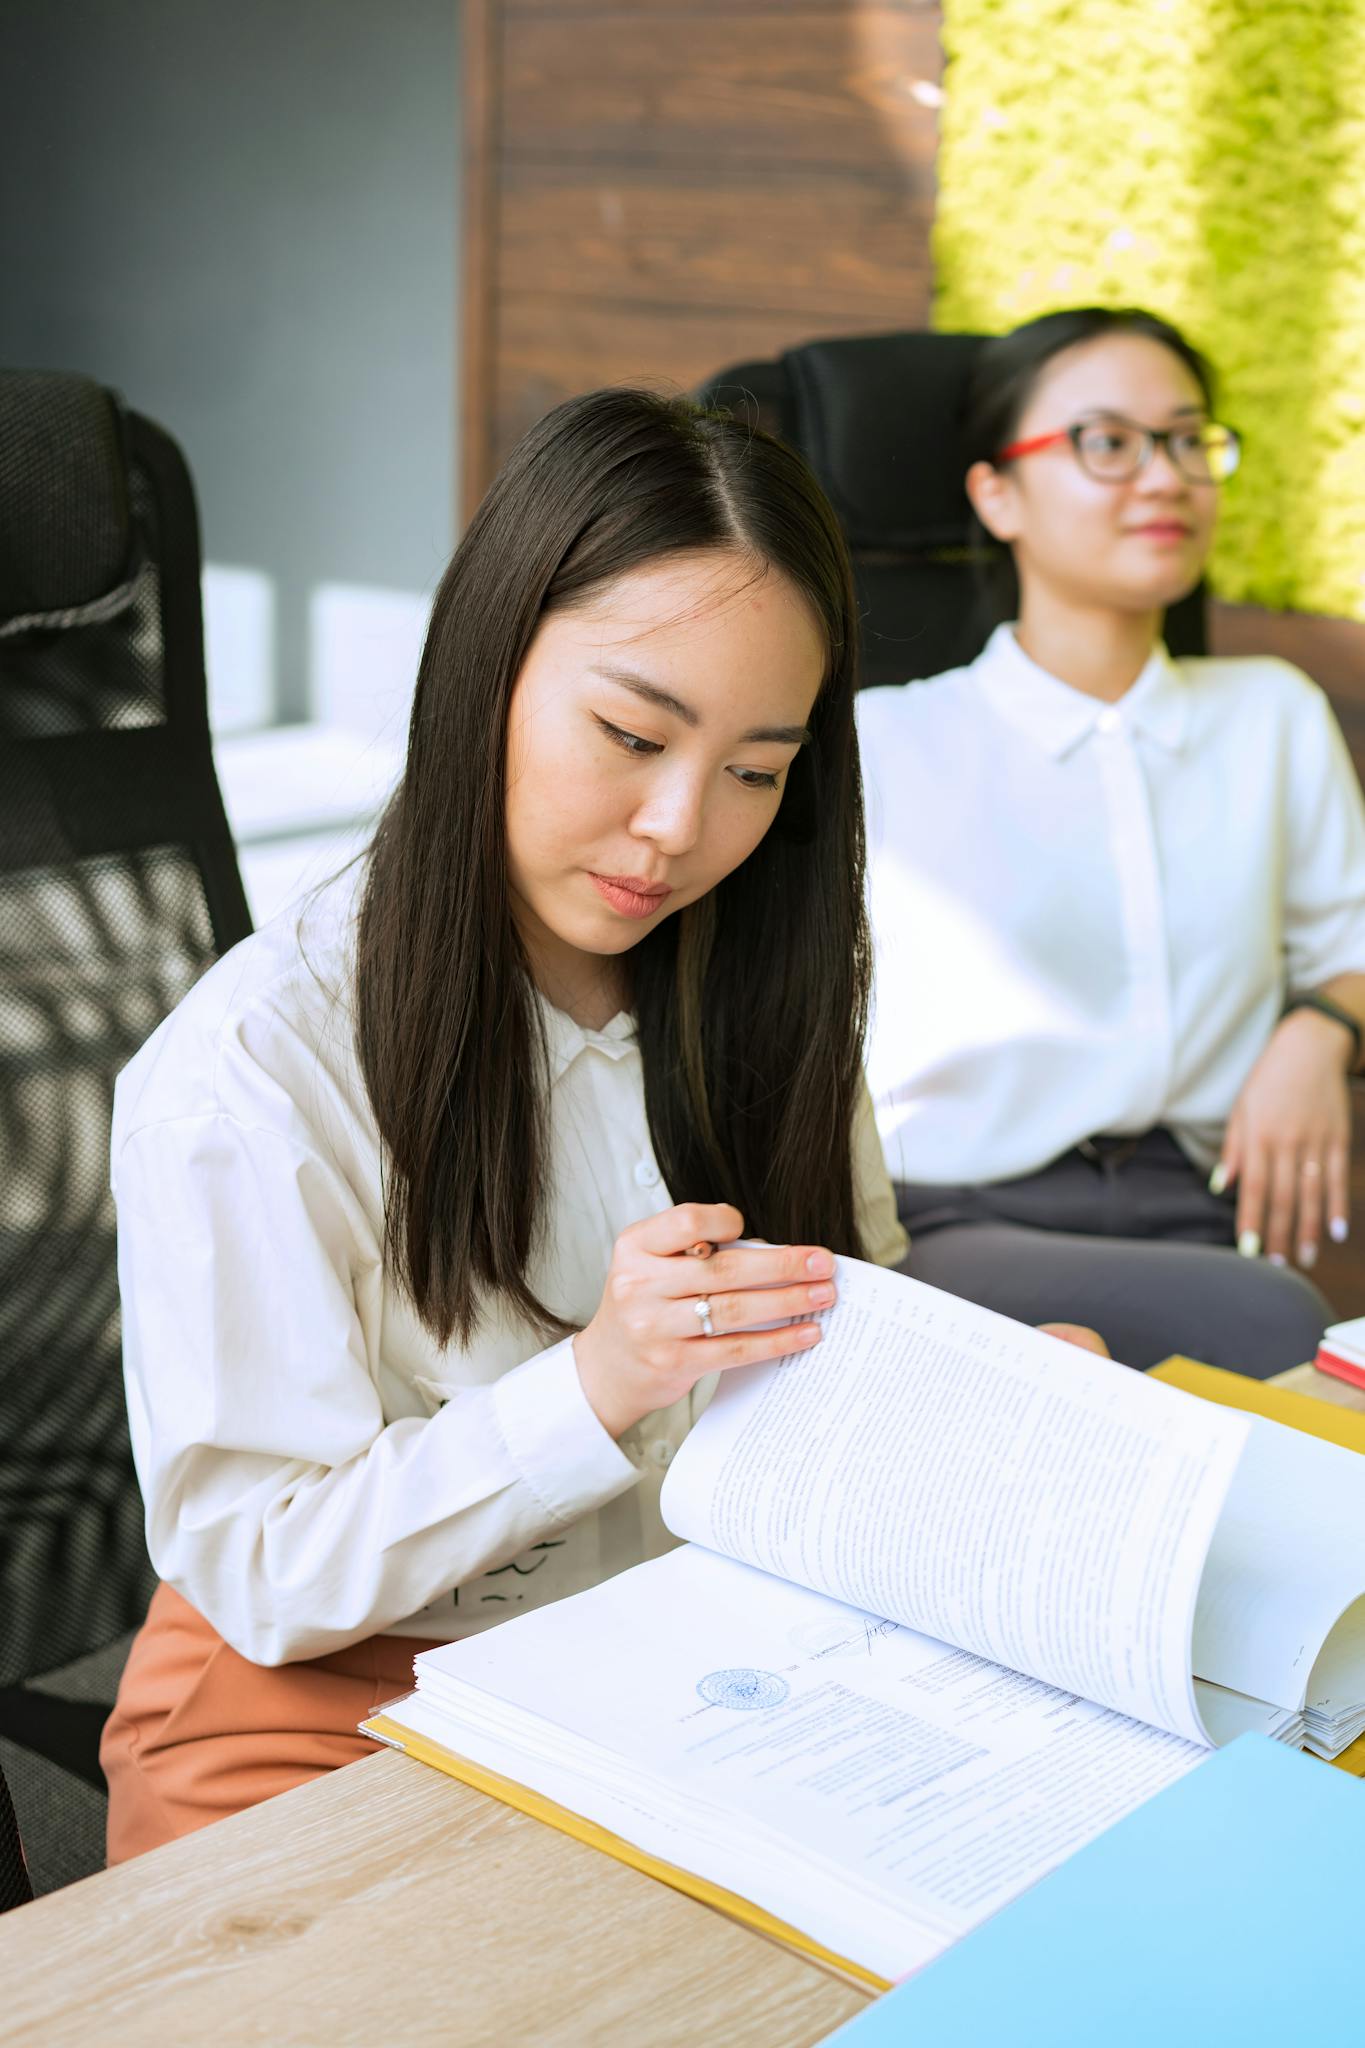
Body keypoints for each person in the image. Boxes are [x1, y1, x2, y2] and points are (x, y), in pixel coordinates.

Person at [100, 388, 917, 1861]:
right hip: (321, 1708)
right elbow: (264, 1567)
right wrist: (598, 1384)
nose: (680, 827)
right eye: (628, 733)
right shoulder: (247, 1069)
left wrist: (974, 1396)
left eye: (752, 773)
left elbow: (844, 1318)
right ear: (485, 668)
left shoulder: (769, 985)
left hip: (674, 1664)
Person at [861, 305, 1365, 1376]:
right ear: (996, 492)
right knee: (1278, 1332)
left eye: (1190, 439)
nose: (1165, 476)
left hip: (1198, 1209)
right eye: (1108, 442)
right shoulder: (888, 737)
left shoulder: (1269, 715)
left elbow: (1354, 944)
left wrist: (1319, 1030)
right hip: (949, 1220)